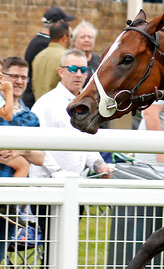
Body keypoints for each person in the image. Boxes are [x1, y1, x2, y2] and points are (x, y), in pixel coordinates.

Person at [30, 49, 112, 179]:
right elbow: (35, 145)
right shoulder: (45, 104)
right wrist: (57, 171)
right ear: (61, 72)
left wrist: (99, 165)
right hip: (47, 183)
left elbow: (86, 143)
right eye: (73, 69)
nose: (79, 74)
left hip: (75, 182)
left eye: (83, 70)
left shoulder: (87, 105)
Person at [0, 57, 48, 177]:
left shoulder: (30, 117)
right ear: (2, 77)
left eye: (24, 77)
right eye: (14, 76)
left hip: (18, 190)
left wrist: (20, 151)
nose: (19, 81)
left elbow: (40, 158)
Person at [23, 6, 74, 108]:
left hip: (34, 101)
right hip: (42, 102)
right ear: (58, 24)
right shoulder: (45, 46)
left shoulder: (35, 42)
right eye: (65, 23)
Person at [31, 20, 70, 101]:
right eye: (71, 36)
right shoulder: (66, 58)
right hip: (58, 106)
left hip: (38, 106)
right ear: (65, 38)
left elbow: (34, 86)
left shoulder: (38, 56)